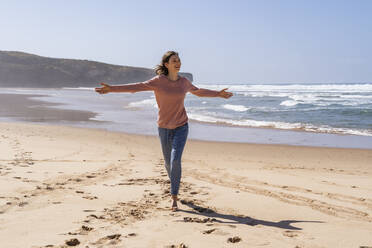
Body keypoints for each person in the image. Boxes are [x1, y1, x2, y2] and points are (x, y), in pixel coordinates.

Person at [95, 51, 233, 211]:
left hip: (181, 126)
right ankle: (175, 183)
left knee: (175, 160)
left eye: (179, 60)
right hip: (164, 129)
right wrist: (112, 89)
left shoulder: (184, 82)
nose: (178, 62)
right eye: (174, 60)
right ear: (166, 64)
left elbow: (198, 91)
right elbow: (137, 87)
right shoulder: (158, 81)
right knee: (168, 163)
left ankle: (174, 197)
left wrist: (218, 94)